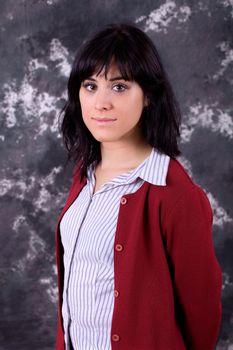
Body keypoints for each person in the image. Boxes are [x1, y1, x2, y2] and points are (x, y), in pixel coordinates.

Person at [55, 23, 222, 350]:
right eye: (90, 86)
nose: (101, 103)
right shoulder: (84, 176)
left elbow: (202, 313)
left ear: (148, 96)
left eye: (119, 87)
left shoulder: (175, 196)